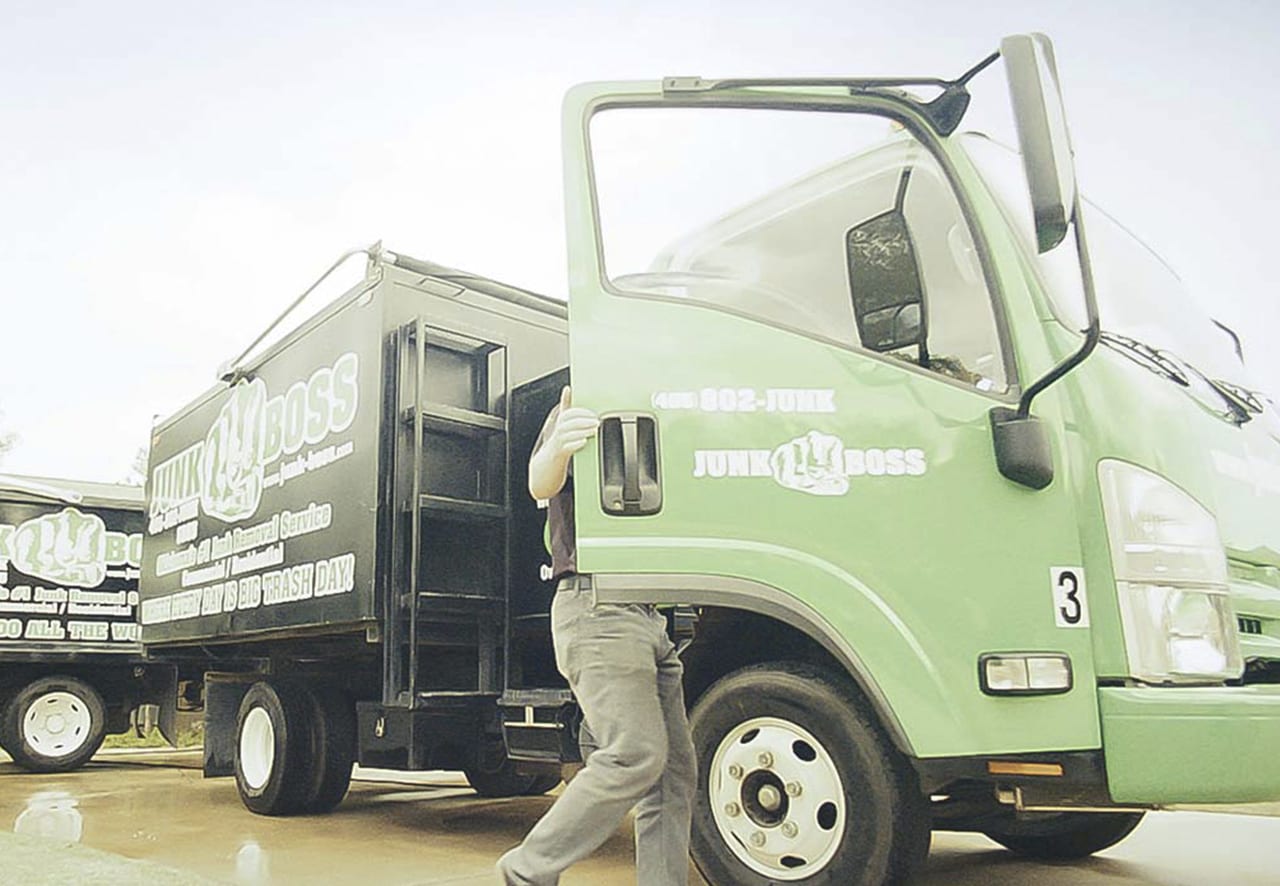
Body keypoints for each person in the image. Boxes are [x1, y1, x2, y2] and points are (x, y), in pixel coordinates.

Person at [498, 386, 697, 886]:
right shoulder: (583, 397)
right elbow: (539, 484)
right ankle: (524, 872)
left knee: (673, 775)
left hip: (648, 615)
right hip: (596, 603)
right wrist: (559, 445)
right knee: (634, 753)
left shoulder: (666, 408)